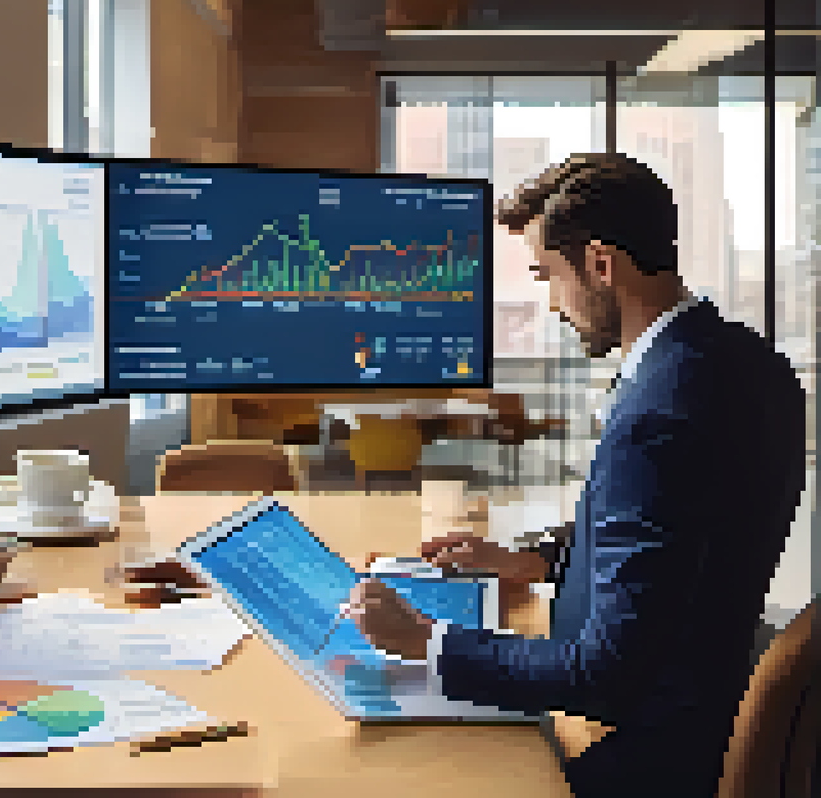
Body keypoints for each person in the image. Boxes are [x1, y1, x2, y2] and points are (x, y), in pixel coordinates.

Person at [345, 152, 807, 797]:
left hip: (649, 756)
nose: (554, 304)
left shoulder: (658, 410)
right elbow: (681, 531)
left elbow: (599, 674)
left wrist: (425, 639)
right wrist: (533, 561)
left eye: (547, 276)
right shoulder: (747, 362)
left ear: (599, 264)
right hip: (710, 706)